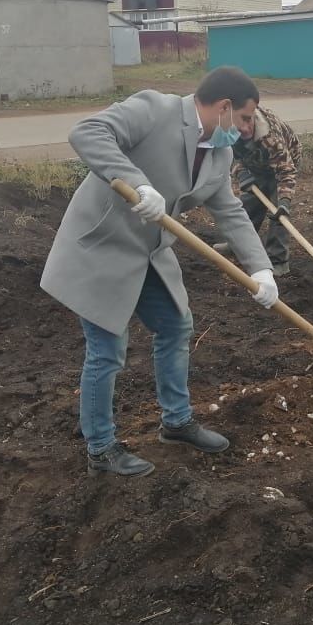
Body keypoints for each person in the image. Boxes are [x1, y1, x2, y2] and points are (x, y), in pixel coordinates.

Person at [40, 66, 280, 477]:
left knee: (175, 327)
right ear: (224, 107)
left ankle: (177, 421)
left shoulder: (219, 155)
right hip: (104, 248)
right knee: (107, 351)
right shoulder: (154, 109)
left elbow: (232, 214)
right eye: (243, 118)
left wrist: (262, 269)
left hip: (150, 252)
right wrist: (136, 181)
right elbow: (87, 132)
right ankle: (101, 448)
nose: (244, 130)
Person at [214, 105, 301, 277]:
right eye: (239, 126)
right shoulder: (223, 127)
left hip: (283, 166)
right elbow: (227, 155)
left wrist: (284, 201)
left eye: (249, 121)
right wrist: (241, 172)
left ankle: (279, 261)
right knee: (249, 205)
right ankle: (238, 244)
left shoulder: (270, 138)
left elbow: (286, 171)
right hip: (256, 165)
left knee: (279, 215)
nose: (245, 129)